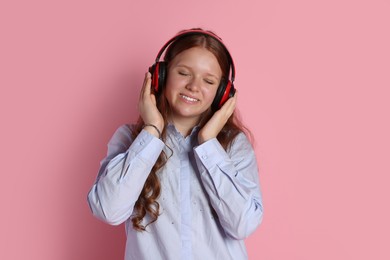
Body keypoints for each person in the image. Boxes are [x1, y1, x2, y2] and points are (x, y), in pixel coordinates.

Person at [87, 28, 263, 260]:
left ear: (222, 93)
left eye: (208, 81)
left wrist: (208, 144)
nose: (193, 86)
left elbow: (243, 225)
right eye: (183, 73)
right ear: (161, 75)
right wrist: (151, 131)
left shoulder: (234, 146)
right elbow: (108, 210)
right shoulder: (130, 139)